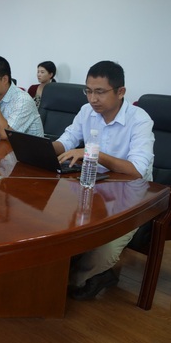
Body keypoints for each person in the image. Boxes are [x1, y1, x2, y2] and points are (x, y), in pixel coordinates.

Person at [53, 60, 154, 300]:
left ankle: (78, 279)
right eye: (88, 91)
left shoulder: (140, 120)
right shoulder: (86, 111)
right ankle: (57, 275)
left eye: (99, 92)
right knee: (53, 215)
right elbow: (67, 140)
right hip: (91, 186)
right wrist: (42, 149)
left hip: (130, 196)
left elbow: (137, 170)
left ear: (120, 92)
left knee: (104, 249)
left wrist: (94, 154)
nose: (92, 99)